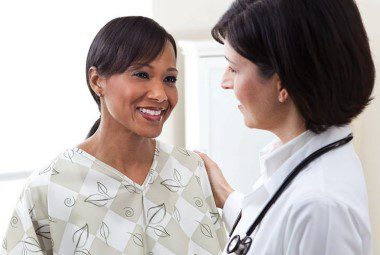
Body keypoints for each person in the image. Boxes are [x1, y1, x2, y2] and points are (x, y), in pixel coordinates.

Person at [1, 16, 226, 255]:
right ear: (97, 81)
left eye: (169, 79)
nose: (161, 95)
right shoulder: (49, 187)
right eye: (141, 74)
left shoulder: (190, 170)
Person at [196, 0, 375, 254]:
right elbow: (273, 231)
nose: (225, 82)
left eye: (234, 69)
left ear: (282, 84)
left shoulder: (320, 207)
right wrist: (225, 196)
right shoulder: (302, 157)